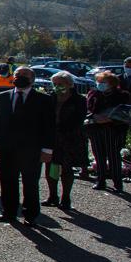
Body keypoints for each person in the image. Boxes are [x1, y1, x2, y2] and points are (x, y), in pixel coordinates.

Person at [0, 66, 54, 227]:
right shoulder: (3, 97)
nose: (19, 77)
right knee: (7, 180)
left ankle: (30, 214)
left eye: (24, 75)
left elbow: (49, 126)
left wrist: (47, 149)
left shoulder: (43, 99)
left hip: (31, 149)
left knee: (30, 182)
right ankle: (9, 212)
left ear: (32, 79)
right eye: (17, 74)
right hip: (7, 148)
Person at [46, 72, 87, 211]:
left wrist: (64, 128)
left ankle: (66, 198)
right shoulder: (50, 98)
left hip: (70, 137)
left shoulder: (79, 100)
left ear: (69, 84)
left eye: (60, 84)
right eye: (55, 84)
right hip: (52, 137)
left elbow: (79, 119)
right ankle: (52, 196)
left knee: (67, 168)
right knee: (51, 167)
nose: (57, 87)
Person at [86, 70, 130, 193]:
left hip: (113, 129)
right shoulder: (93, 94)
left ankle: (117, 182)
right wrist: (94, 117)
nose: (100, 84)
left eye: (103, 82)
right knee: (98, 155)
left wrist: (109, 119)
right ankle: (100, 180)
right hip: (95, 128)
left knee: (113, 155)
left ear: (112, 83)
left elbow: (125, 113)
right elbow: (88, 109)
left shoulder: (122, 95)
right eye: (98, 81)